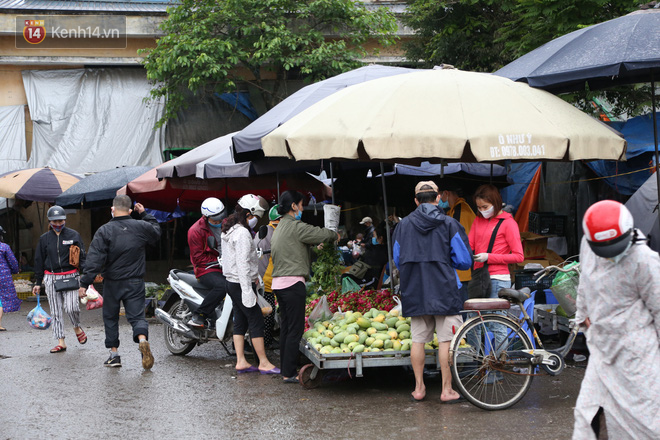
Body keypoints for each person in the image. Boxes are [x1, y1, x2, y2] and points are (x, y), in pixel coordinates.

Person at [572, 200, 660, 439]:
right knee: (585, 413)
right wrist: (582, 316)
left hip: (637, 354)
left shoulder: (645, 261)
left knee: (641, 422)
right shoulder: (589, 246)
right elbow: (585, 281)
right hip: (602, 347)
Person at [392, 181, 472, 402]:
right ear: (438, 198)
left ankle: (419, 389)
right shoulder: (450, 224)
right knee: (446, 342)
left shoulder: (402, 226)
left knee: (418, 340)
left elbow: (398, 259)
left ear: (416, 201)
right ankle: (446, 391)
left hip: (414, 289)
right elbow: (464, 260)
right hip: (445, 289)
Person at [78, 196, 161, 369]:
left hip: (113, 283)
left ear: (112, 209)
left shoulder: (104, 230)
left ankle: (114, 355)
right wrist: (144, 213)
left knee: (110, 317)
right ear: (130, 210)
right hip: (135, 281)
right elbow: (156, 231)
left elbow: (94, 260)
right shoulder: (141, 227)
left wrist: (84, 284)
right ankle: (142, 340)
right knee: (137, 317)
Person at [271, 191, 339, 383]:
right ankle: (289, 372)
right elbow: (318, 233)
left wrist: (310, 249)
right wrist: (334, 234)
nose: (302, 208)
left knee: (286, 329)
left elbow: (292, 249)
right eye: (301, 205)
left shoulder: (281, 226)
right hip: (292, 284)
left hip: (279, 284)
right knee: (295, 330)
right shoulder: (295, 225)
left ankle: (286, 369)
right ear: (293, 206)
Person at [221, 195, 279, 374]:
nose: (256, 220)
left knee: (240, 321)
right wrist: (248, 290)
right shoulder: (243, 233)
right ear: (248, 213)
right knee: (256, 321)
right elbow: (243, 264)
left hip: (232, 282)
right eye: (256, 216)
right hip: (241, 283)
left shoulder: (229, 229)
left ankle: (241, 361)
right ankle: (263, 362)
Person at [32, 206, 87, 352]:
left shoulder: (74, 235)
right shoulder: (44, 239)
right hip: (51, 278)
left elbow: (82, 258)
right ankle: (61, 341)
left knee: (72, 307)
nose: (58, 224)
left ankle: (76, 326)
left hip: (71, 276)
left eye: (60, 220)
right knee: (56, 311)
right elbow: (39, 260)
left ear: (65, 220)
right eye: (54, 221)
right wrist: (38, 283)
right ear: (49, 221)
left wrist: (86, 279)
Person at [187, 197, 228, 328]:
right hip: (207, 268)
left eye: (221, 217)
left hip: (228, 265)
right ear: (206, 217)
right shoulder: (195, 231)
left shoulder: (226, 223)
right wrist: (218, 260)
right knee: (224, 286)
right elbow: (198, 258)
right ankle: (199, 314)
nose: (219, 221)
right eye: (215, 219)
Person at [441, 187, 477, 306]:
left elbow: (457, 240)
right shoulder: (455, 210)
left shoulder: (460, 211)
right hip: (461, 268)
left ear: (446, 193)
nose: (440, 199)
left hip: (463, 270)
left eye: (440, 195)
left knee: (462, 308)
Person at [253, 204, 281, 349]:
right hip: (267, 279)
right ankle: (266, 342)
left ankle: (265, 341)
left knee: (265, 312)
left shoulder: (264, 231)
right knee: (268, 314)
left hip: (260, 277)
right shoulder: (275, 233)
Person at [0, 226, 20, 331]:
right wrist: (15, 270)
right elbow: (13, 261)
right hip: (3, 277)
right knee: (1, 300)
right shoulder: (4, 247)